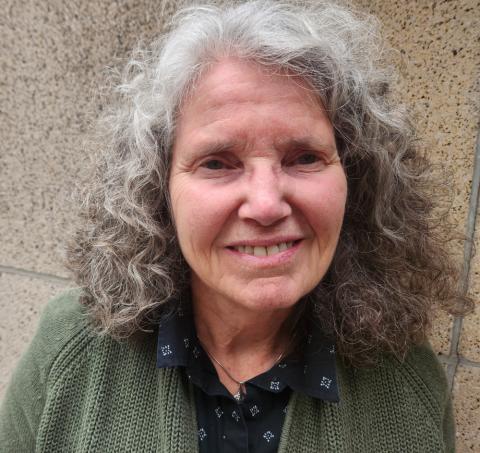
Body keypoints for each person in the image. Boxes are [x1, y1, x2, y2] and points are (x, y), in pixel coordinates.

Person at [0, 1, 470, 452]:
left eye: (305, 157)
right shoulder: (71, 348)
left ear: (357, 179)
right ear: (157, 189)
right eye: (217, 163)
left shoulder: (408, 382)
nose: (265, 205)